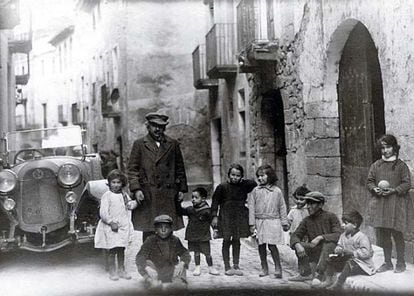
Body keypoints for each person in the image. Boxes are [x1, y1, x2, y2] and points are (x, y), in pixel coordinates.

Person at [127, 112, 188, 242]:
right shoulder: (139, 144)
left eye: (160, 126)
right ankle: (149, 255)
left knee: (166, 225)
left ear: (164, 128)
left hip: (168, 193)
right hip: (148, 193)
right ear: (148, 127)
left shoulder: (172, 144)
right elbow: (132, 169)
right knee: (149, 228)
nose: (157, 129)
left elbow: (180, 168)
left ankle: (168, 256)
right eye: (154, 126)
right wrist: (136, 189)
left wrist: (182, 189)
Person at [366, 134, 411, 273]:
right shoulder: (376, 165)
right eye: (382, 148)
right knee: (384, 234)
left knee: (397, 234)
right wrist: (375, 189)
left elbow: (407, 184)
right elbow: (369, 181)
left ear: (395, 148)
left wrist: (394, 190)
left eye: (388, 147)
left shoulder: (401, 166)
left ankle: (401, 263)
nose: (385, 151)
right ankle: (387, 262)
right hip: (381, 204)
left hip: (396, 204)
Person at [211, 163, 257, 276]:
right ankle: (227, 266)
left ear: (241, 176)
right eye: (232, 175)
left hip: (239, 217)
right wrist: (214, 217)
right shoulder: (222, 187)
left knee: (236, 240)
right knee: (226, 240)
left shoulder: (243, 186)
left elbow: (254, 183)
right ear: (228, 175)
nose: (235, 177)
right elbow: (215, 203)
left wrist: (243, 181)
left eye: (238, 175)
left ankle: (236, 265)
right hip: (226, 217)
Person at [288, 191, 341, 285]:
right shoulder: (307, 220)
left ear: (320, 204)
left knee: (329, 243)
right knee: (299, 244)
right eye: (307, 203)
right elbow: (295, 235)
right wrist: (297, 244)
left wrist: (321, 237)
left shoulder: (331, 217)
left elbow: (338, 235)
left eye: (312, 203)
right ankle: (306, 273)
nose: (308, 206)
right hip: (316, 252)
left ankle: (319, 274)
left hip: (331, 253)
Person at [248, 164, 289, 278]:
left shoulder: (277, 191)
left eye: (262, 176)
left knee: (272, 245)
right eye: (258, 177)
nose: (260, 178)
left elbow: (282, 207)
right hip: (259, 221)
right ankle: (264, 267)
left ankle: (277, 268)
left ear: (270, 176)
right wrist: (252, 224)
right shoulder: (255, 191)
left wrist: (284, 222)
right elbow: (251, 208)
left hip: (272, 221)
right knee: (261, 246)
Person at [94, 169, 136, 281]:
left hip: (122, 226)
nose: (116, 185)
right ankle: (112, 271)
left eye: (118, 182)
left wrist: (132, 204)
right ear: (109, 183)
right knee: (112, 249)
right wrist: (110, 222)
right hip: (111, 226)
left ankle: (122, 270)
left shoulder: (124, 194)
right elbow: (103, 212)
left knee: (121, 248)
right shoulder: (107, 195)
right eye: (113, 182)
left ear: (122, 183)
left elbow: (129, 204)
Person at [320, 210, 376, 290]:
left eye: (345, 223)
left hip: (362, 264)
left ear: (354, 225)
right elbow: (339, 245)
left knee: (350, 263)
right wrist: (338, 249)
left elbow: (366, 253)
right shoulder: (343, 235)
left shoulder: (362, 237)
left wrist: (352, 253)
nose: (342, 225)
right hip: (347, 260)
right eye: (343, 223)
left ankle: (338, 284)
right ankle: (328, 280)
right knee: (330, 259)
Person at [136, 214, 191, 290]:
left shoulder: (175, 240)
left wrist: (182, 263)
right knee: (154, 286)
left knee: (181, 286)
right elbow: (140, 257)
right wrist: (147, 270)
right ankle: (152, 282)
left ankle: (173, 283)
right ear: (155, 229)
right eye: (160, 227)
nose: (163, 230)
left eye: (166, 227)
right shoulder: (150, 240)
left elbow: (185, 253)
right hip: (155, 270)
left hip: (171, 270)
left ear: (171, 229)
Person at [179, 187, 219, 276]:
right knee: (196, 253)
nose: (193, 199)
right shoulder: (190, 209)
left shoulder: (207, 211)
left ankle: (211, 267)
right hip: (193, 235)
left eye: (196, 197)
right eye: (192, 197)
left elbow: (212, 221)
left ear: (203, 199)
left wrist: (215, 229)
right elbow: (181, 211)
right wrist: (178, 202)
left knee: (207, 253)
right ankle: (197, 267)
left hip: (204, 235)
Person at [287, 184, 311, 276]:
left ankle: (306, 270)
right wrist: (286, 224)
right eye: (297, 199)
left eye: (302, 199)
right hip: (295, 236)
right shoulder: (293, 210)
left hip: (306, 236)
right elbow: (288, 221)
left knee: (305, 253)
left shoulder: (308, 210)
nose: (298, 201)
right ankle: (301, 270)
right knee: (298, 253)